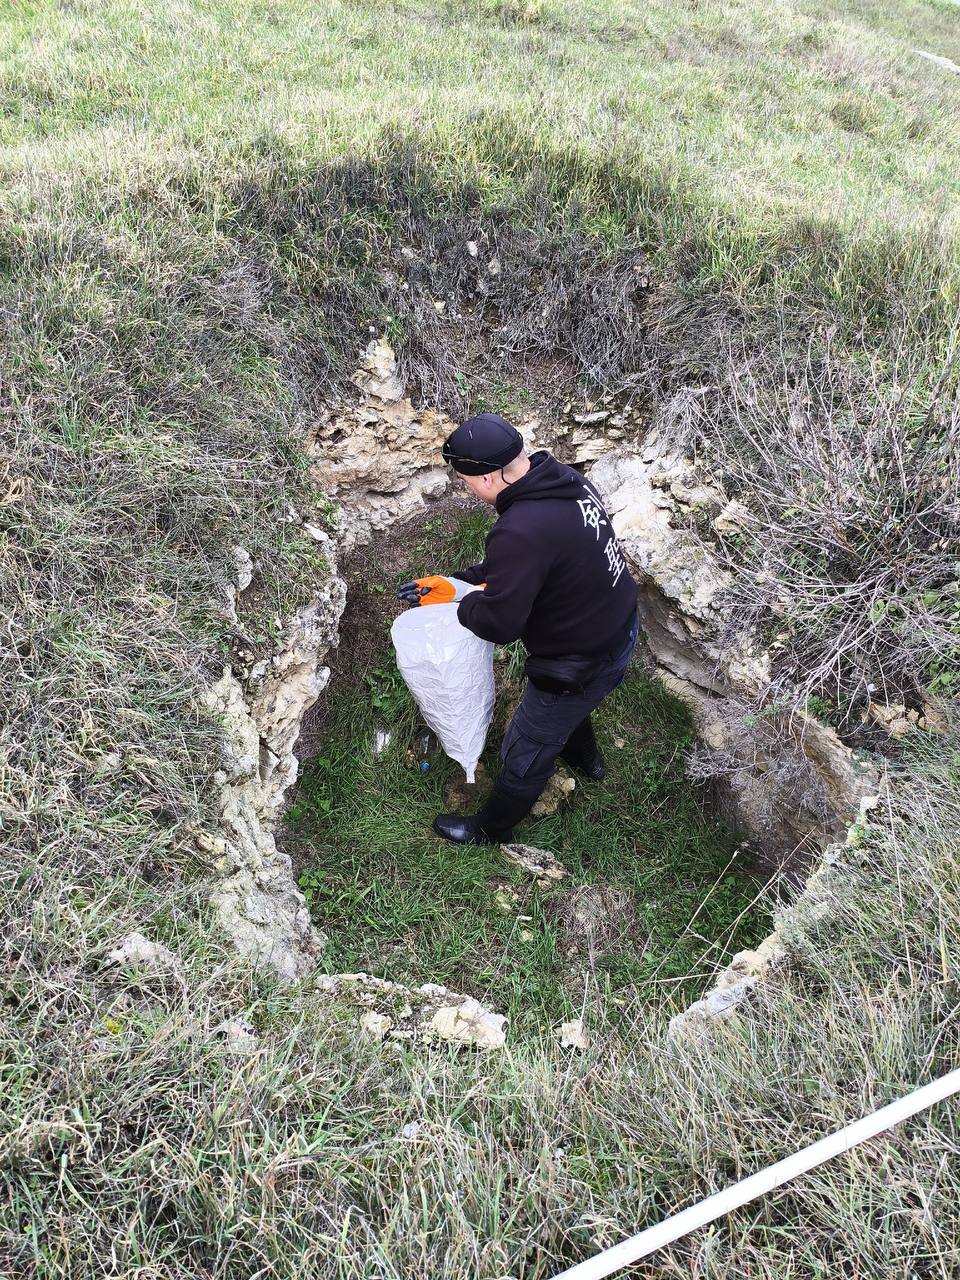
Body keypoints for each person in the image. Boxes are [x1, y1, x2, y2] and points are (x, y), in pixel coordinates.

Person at [399, 412, 639, 845]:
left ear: (488, 477)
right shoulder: (563, 480)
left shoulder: (520, 530)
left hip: (576, 661)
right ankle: (586, 759)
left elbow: (500, 623)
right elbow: (529, 566)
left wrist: (462, 605)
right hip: (618, 626)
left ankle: (492, 829)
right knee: (572, 711)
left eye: (465, 481)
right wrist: (458, 584)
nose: (467, 489)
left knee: (525, 749)